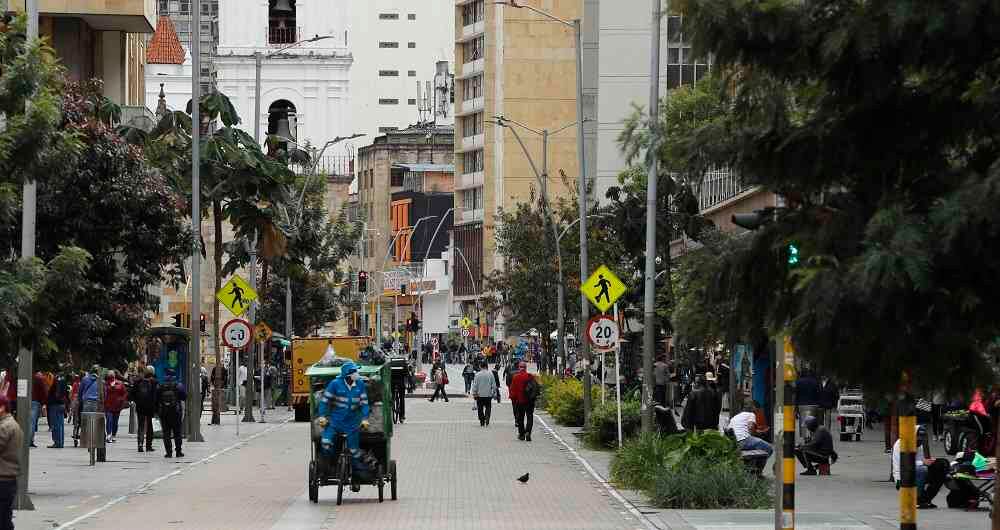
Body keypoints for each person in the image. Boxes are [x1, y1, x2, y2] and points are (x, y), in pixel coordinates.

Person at [316, 362, 371, 491]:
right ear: (348, 374)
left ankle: (356, 478)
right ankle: (329, 467)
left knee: (354, 451)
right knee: (326, 442)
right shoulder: (335, 384)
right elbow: (325, 401)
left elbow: (364, 404)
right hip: (336, 422)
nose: (357, 374)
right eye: (355, 372)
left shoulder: (360, 384)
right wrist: (322, 416)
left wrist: (364, 419)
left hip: (353, 424)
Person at [892, 424, 947, 509]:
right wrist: (923, 462)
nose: (920, 442)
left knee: (941, 465)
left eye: (922, 440)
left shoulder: (919, 445)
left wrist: (933, 462)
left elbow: (921, 461)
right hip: (902, 477)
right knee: (922, 470)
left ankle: (926, 499)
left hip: (915, 471)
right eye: (918, 439)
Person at [0, 394, 23, 530]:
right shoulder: (12, 424)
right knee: (4, 519)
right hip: (8, 479)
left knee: (3, 520)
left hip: (3, 479)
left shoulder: (5, 427)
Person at [157, 370, 186, 458]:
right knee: (177, 433)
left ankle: (168, 452)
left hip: (164, 413)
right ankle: (178, 452)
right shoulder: (178, 385)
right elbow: (184, 397)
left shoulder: (161, 386)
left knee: (166, 433)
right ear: (174, 376)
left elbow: (157, 398)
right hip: (176, 413)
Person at [509, 362, 540, 441]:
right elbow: (536, 387)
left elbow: (512, 390)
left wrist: (513, 398)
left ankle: (521, 434)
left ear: (519, 368)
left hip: (520, 401)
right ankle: (528, 432)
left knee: (520, 418)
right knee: (529, 416)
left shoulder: (516, 377)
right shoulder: (530, 376)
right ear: (526, 368)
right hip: (529, 401)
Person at [130, 366, 158, 452]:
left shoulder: (138, 382)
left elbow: (132, 394)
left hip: (140, 406)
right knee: (150, 426)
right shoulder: (154, 382)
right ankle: (148, 446)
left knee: (141, 425)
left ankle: (140, 444)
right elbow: (156, 395)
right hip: (150, 407)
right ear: (153, 372)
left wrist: (137, 401)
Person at [46, 373, 69, 448]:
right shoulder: (64, 381)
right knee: (61, 424)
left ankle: (57, 442)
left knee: (55, 424)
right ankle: (61, 442)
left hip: (55, 404)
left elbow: (53, 393)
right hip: (62, 404)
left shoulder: (55, 380)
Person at [104, 370, 127, 443]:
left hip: (117, 406)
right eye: (109, 375)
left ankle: (113, 435)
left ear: (114, 376)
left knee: (115, 422)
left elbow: (125, 393)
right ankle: (108, 435)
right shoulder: (105, 384)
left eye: (112, 375)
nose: (111, 376)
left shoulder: (120, 384)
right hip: (108, 406)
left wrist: (121, 400)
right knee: (109, 420)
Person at [471, 362, 497, 427]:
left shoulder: (477, 374)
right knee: (488, 407)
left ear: (480, 366)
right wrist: (494, 393)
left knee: (480, 408)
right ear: (486, 366)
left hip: (480, 395)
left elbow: (475, 385)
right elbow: (494, 385)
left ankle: (482, 421)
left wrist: (474, 393)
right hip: (488, 395)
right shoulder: (490, 374)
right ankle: (487, 417)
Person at [29, 370, 48, 448]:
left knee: (26, 421)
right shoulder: (39, 379)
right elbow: (44, 391)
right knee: (32, 422)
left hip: (25, 401)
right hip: (35, 402)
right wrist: (44, 402)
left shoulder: (27, 377)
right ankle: (30, 440)